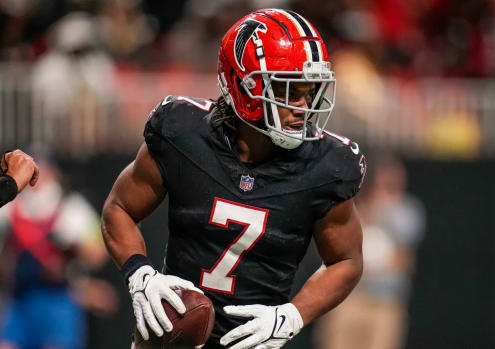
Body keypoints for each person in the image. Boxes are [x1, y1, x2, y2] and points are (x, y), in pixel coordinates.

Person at [101, 9, 366, 349]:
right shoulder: (183, 134)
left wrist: (293, 315)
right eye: (290, 92)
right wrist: (140, 273)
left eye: (310, 92)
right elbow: (119, 207)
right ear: (245, 86)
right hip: (171, 339)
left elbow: (346, 260)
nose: (304, 107)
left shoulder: (326, 166)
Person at [0, 152, 117, 349]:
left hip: (59, 299)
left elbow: (98, 251)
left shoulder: (72, 208)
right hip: (19, 298)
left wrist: (73, 254)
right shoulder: (10, 208)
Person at [318, 156, 425, 349]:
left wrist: (382, 209)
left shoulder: (407, 210)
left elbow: (402, 254)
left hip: (386, 302)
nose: (389, 182)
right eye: (385, 177)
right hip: (352, 297)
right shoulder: (358, 205)